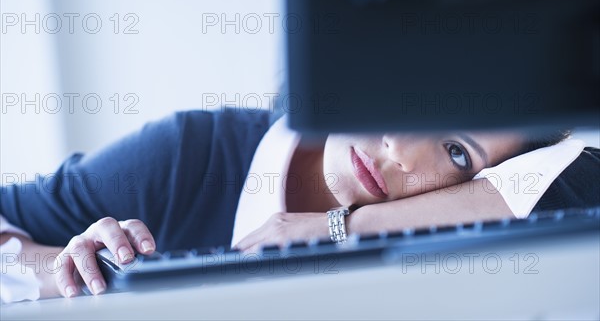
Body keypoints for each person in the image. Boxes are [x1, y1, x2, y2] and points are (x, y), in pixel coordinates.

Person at [0, 108, 593, 302]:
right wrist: (67, 270)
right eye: (421, 99)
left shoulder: (462, 241)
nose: (401, 151)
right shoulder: (188, 155)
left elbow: (587, 173)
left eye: (458, 152)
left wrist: (345, 228)